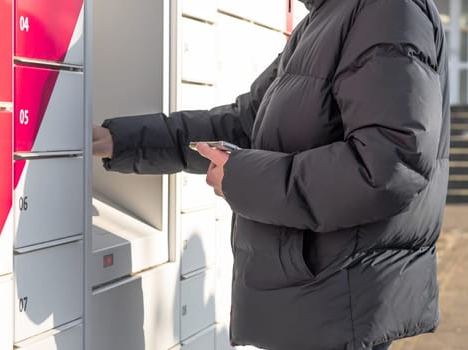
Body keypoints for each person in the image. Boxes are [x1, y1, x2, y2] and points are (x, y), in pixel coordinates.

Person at [93, 0, 450, 349]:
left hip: (336, 304)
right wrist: (120, 141)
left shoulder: (385, 10)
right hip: (315, 300)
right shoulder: (326, 20)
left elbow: (387, 166)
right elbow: (243, 124)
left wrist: (241, 177)